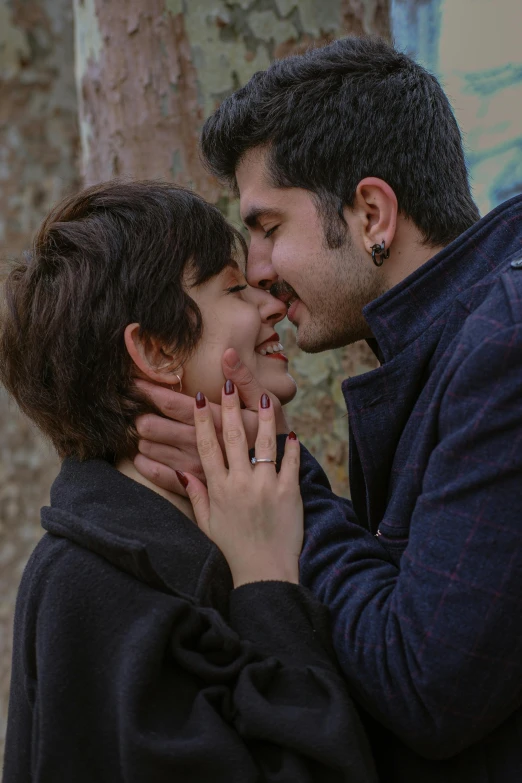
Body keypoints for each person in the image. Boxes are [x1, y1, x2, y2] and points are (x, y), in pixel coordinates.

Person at [132, 37, 522, 782]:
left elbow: (428, 687)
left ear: (372, 212)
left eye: (269, 228)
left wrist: (276, 472)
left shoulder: (506, 344)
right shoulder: (456, 339)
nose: (257, 272)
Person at [0, 181, 377, 782]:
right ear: (156, 350)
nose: (273, 304)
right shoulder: (96, 587)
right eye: (233, 288)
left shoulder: (220, 527)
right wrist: (265, 587)